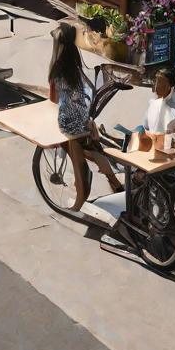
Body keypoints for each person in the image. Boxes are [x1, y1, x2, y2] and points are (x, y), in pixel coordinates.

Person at [47, 22, 122, 211]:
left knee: (76, 153)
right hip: (84, 116)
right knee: (93, 148)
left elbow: (54, 99)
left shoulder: (57, 68)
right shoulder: (76, 63)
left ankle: (80, 194)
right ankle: (113, 181)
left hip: (69, 122)